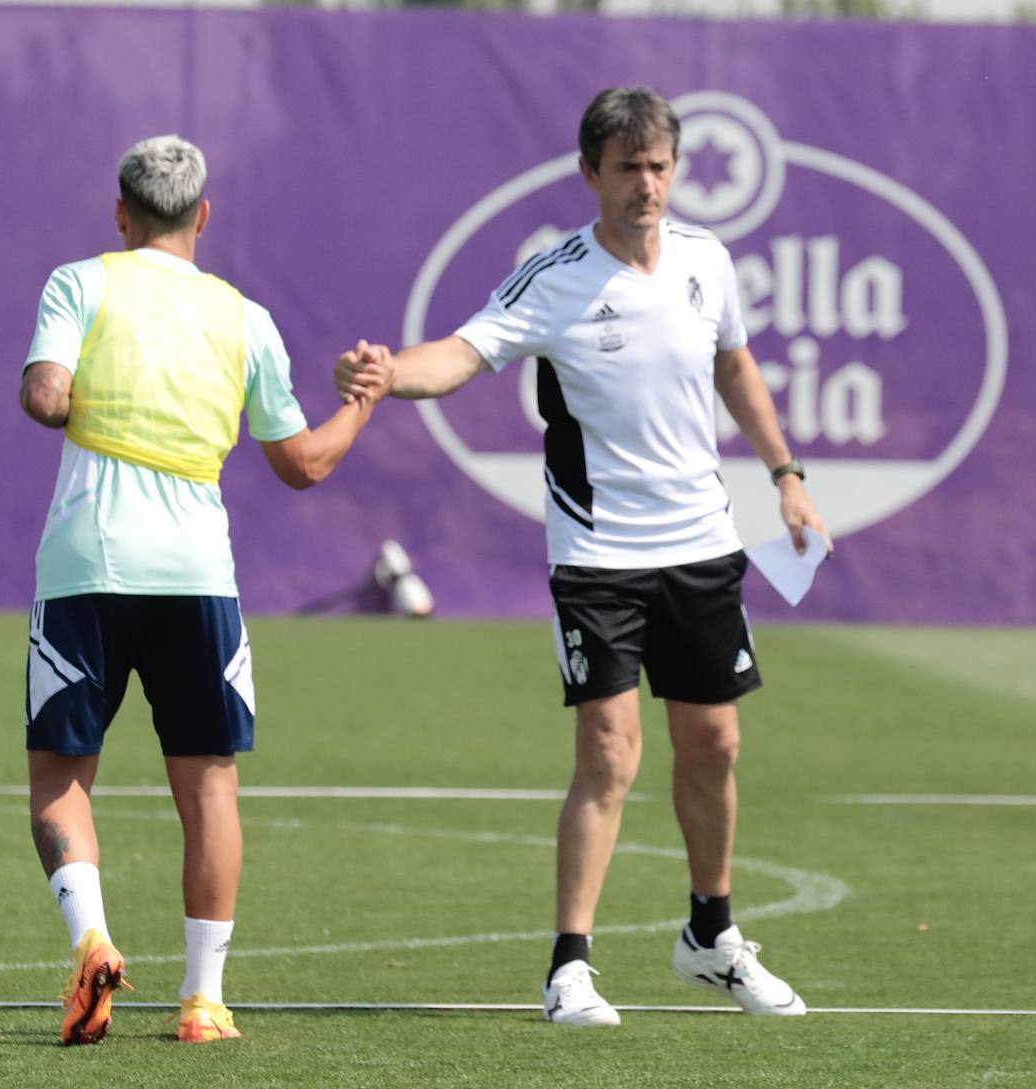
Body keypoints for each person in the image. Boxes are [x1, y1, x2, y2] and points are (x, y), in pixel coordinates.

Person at [336, 87, 832, 1024]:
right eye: (626, 167)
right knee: (610, 753)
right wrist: (387, 372)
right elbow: (461, 353)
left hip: (703, 545)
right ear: (589, 174)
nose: (646, 184)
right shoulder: (554, 277)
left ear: (675, 170)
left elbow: (736, 364)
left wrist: (787, 472)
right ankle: (570, 965)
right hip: (599, 553)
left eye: (659, 166)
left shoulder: (706, 261)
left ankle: (712, 939)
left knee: (714, 744)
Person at [20, 135, 386, 1046]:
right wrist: (363, 402)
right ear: (204, 216)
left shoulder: (81, 281)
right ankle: (203, 1001)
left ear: (120, 212)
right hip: (196, 573)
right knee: (209, 787)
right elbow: (301, 464)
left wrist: (66, 396)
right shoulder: (243, 316)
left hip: (87, 565)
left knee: (61, 779)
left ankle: (92, 938)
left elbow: (44, 396)